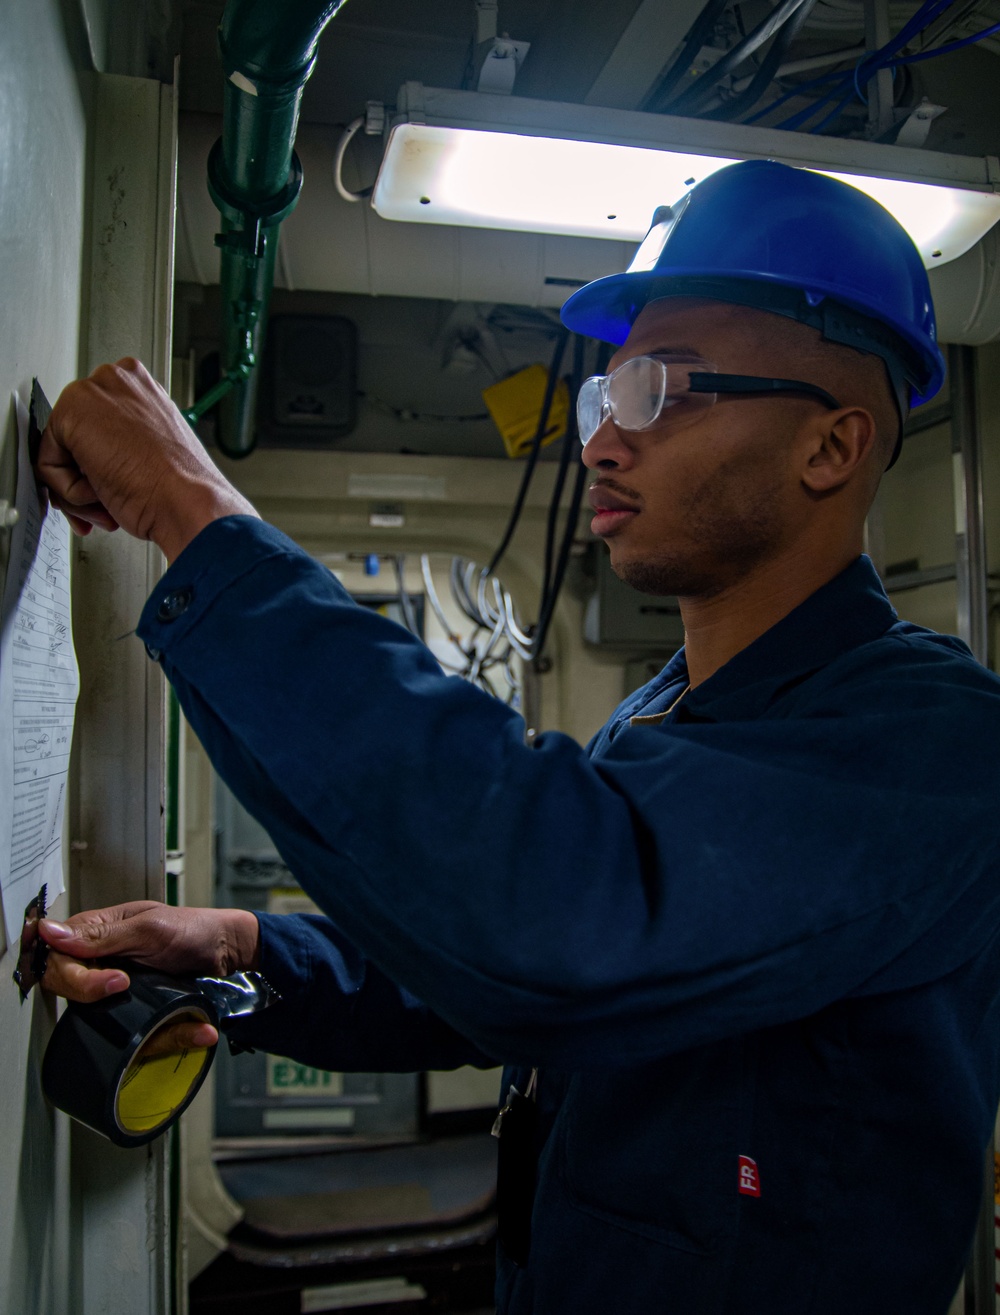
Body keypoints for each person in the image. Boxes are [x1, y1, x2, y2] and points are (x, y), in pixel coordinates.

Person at [35, 161, 1000, 1314]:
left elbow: (552, 930)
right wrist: (247, 948)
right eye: (604, 397)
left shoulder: (934, 742)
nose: (599, 443)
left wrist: (200, 519)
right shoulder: (672, 709)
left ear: (830, 449)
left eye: (660, 389)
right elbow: (497, 989)